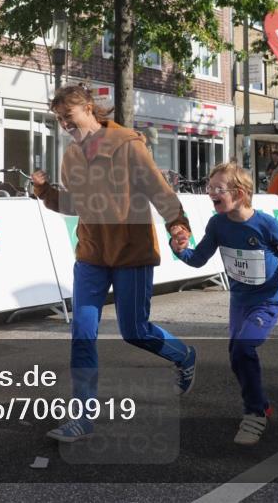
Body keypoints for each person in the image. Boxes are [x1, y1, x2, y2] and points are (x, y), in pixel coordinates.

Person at [30, 85, 196, 443]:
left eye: (67, 117)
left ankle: (184, 356)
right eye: (58, 119)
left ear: (89, 108)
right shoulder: (71, 156)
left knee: (134, 330)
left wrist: (178, 225)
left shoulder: (126, 144)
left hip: (130, 251)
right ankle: (83, 417)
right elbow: (73, 205)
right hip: (91, 254)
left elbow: (157, 189)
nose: (63, 125)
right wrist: (45, 192)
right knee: (82, 332)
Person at [171, 161, 278, 445]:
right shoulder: (217, 224)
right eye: (208, 188)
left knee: (243, 347)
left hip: (268, 299)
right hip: (239, 301)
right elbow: (199, 259)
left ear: (239, 193)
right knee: (237, 357)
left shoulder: (265, 224)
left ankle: (254, 415)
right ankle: (261, 402)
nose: (210, 193)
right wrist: (179, 250)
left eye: (217, 189)